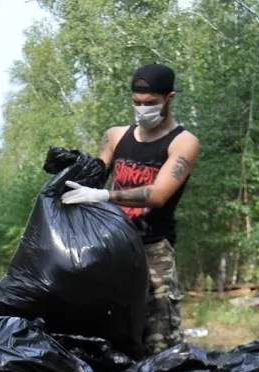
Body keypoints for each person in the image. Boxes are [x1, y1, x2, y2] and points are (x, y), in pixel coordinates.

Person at [60, 63, 199, 355]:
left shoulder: (183, 143)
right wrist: (69, 166)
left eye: (150, 104)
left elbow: (158, 195)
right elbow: (93, 174)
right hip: (109, 246)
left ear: (169, 99)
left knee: (159, 335)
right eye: (137, 102)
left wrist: (102, 195)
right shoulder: (116, 136)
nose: (142, 109)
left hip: (152, 250)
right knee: (104, 328)